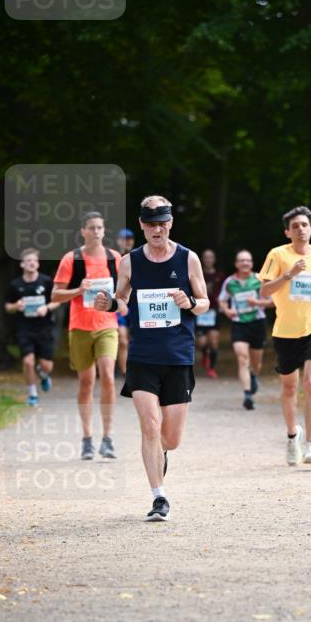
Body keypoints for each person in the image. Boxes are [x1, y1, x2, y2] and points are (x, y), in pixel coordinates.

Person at [94, 194, 209, 522]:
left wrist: (190, 302)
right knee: (149, 425)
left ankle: (162, 453)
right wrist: (110, 305)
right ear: (142, 226)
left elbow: (205, 302)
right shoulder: (129, 261)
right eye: (151, 224)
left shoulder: (188, 259)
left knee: (170, 438)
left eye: (162, 223)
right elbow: (122, 299)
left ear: (170, 223)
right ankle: (159, 497)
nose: (157, 230)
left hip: (178, 356)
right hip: (142, 356)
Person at [260, 205, 311, 465]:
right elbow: (264, 291)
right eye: (295, 226)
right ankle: (293, 436)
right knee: (289, 386)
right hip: (285, 330)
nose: (301, 229)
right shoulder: (277, 254)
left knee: (310, 382)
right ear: (287, 232)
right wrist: (288, 275)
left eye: (304, 225)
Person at [52, 212, 125, 459]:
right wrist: (77, 290)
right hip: (80, 327)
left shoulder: (114, 258)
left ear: (104, 231)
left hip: (107, 325)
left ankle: (108, 438)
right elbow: (55, 295)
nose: (96, 232)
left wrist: (120, 303)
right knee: (86, 383)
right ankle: (87, 438)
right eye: (91, 228)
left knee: (108, 377)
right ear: (83, 231)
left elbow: (125, 291)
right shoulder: (71, 259)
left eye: (99, 228)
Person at [218, 250, 274, 410]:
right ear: (236, 264)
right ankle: (248, 394)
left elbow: (273, 302)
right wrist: (227, 311)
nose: (244, 263)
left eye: (247, 260)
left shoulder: (259, 280)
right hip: (238, 323)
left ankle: (254, 375)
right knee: (242, 358)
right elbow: (222, 300)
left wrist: (257, 303)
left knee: (256, 363)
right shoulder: (230, 282)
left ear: (252, 263)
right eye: (241, 260)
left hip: (257, 323)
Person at [4, 248, 60, 406]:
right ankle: (33, 394)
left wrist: (46, 308)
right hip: (24, 328)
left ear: (38, 264)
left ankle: (43, 375)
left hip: (44, 327)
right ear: (22, 264)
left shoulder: (46, 281)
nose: (31, 263)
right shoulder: (15, 285)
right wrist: (16, 306)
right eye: (28, 260)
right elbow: (7, 307)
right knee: (28, 362)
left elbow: (57, 301)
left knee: (47, 366)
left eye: (34, 260)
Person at [196, 249, 225, 378]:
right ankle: (204, 353)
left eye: (210, 257)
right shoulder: (198, 274)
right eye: (206, 257)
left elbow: (225, 293)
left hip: (214, 312)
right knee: (201, 343)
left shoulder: (220, 276)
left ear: (214, 259)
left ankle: (211, 368)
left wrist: (222, 304)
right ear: (202, 259)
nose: (208, 259)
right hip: (200, 312)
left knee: (213, 342)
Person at [115, 230, 136, 377]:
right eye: (123, 239)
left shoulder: (140, 257)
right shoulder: (112, 258)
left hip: (136, 303)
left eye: (129, 239)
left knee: (134, 339)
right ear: (118, 241)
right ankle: (125, 373)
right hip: (120, 302)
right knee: (122, 338)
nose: (127, 242)